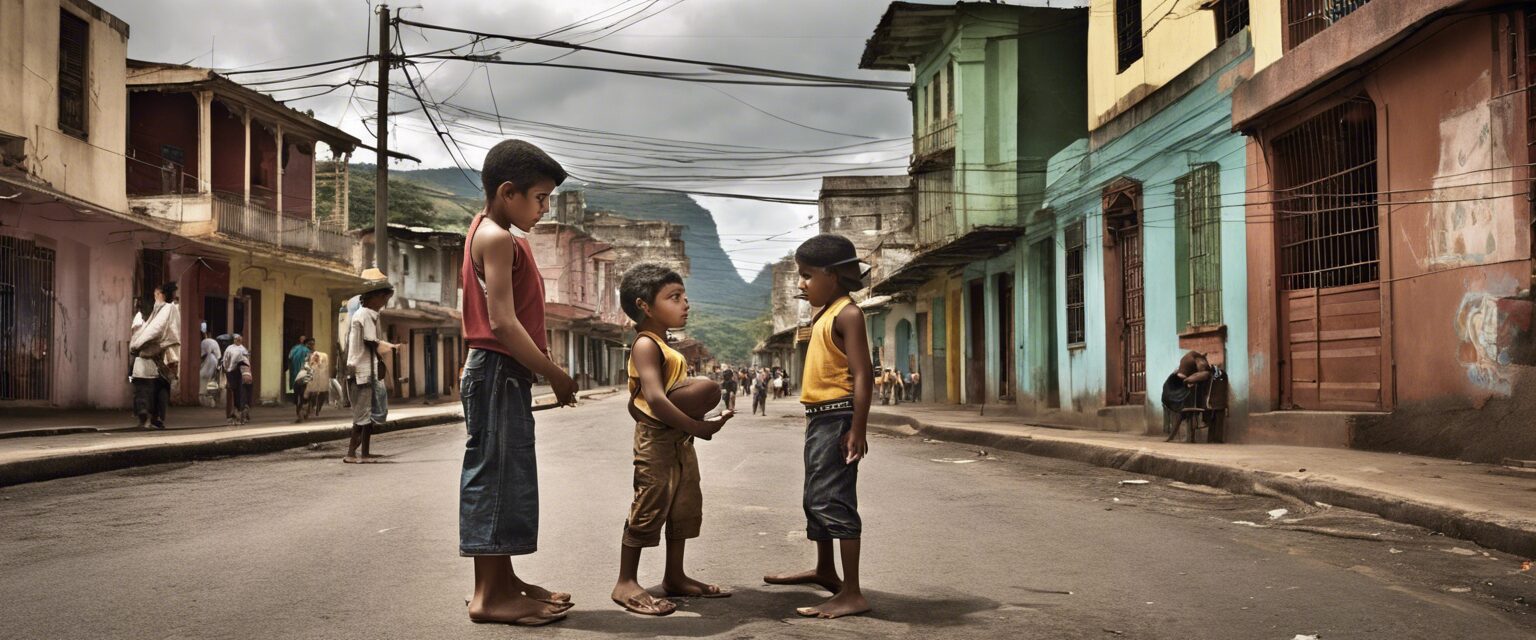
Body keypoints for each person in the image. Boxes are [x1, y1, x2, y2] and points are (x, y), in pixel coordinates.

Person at [459, 139, 578, 626]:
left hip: (500, 373)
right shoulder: (497, 237)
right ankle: (489, 596)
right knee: (494, 479)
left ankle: (504, 582)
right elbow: (504, 324)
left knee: (507, 479)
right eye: (540, 198)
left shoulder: (489, 230)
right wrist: (557, 376)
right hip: (497, 370)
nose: (544, 208)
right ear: (508, 192)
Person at [610, 263, 734, 616]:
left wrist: (698, 419)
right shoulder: (646, 345)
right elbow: (657, 399)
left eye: (684, 296)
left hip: (679, 438)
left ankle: (675, 576)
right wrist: (700, 427)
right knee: (649, 504)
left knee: (682, 504)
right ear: (645, 306)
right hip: (657, 439)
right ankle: (625, 582)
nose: (685, 304)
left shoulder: (666, 345)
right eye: (674, 297)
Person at [764, 233, 873, 619]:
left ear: (834, 275)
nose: (802, 284)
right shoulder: (823, 313)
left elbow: (863, 374)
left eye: (807, 275)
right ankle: (825, 569)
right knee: (815, 496)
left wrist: (857, 429)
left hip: (838, 416)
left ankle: (853, 591)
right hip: (819, 418)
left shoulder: (848, 313)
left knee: (834, 499)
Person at [346, 273, 395, 463]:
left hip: (367, 370)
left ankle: (365, 453)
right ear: (372, 297)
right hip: (363, 372)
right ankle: (351, 453)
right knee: (363, 414)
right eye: (383, 297)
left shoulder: (369, 314)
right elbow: (370, 341)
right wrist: (385, 351)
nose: (384, 301)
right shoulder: (365, 314)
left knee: (368, 414)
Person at [128, 282, 181, 430]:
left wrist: (137, 344)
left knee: (150, 390)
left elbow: (156, 329)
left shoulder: (168, 308)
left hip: (158, 357)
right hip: (153, 358)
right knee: (152, 390)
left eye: (156, 294)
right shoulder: (159, 310)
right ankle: (150, 419)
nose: (155, 297)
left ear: (160, 294)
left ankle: (149, 420)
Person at [221, 334, 251, 424]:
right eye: (236, 339)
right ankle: (234, 414)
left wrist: (247, 374)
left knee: (241, 393)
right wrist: (226, 371)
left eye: (239, 339)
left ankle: (240, 413)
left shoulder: (243, 349)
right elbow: (225, 361)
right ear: (234, 340)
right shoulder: (230, 349)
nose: (238, 341)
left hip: (240, 374)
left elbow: (246, 362)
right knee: (233, 393)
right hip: (232, 373)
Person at [298, 350, 331, 423]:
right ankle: (305, 412)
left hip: (314, 387)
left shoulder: (320, 367)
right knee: (306, 399)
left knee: (312, 398)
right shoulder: (311, 366)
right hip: (309, 386)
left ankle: (308, 412)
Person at [198, 325, 222, 408]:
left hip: (209, 360)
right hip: (215, 360)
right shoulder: (214, 341)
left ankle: (202, 394)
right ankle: (206, 394)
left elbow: (203, 355)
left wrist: (199, 364)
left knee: (202, 376)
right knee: (209, 378)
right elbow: (218, 356)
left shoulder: (204, 342)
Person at [287, 335, 313, 406]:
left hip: (295, 369)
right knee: (304, 385)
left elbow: (289, 357)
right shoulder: (307, 350)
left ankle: (296, 399)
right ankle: (303, 400)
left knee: (296, 385)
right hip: (303, 370)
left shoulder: (294, 348)